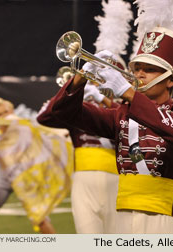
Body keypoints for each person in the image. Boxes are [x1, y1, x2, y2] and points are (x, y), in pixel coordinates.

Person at [47, 26, 173, 233]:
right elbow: (62, 113)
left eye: (149, 69)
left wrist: (129, 94)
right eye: (137, 68)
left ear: (170, 79)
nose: (139, 74)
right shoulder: (121, 114)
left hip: (163, 221)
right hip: (121, 218)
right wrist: (82, 76)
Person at [0, 97, 73, 234]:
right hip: (2, 179)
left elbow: (47, 132)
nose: (4, 116)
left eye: (5, 112)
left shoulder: (25, 127)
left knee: (40, 218)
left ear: (12, 111)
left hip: (24, 179)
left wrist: (62, 133)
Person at [37, 79, 119, 233]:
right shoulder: (79, 109)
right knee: (87, 236)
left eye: (98, 80)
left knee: (115, 237)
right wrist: (71, 91)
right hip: (83, 177)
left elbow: (132, 121)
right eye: (91, 80)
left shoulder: (117, 104)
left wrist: (103, 99)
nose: (94, 85)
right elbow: (44, 116)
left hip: (116, 179)